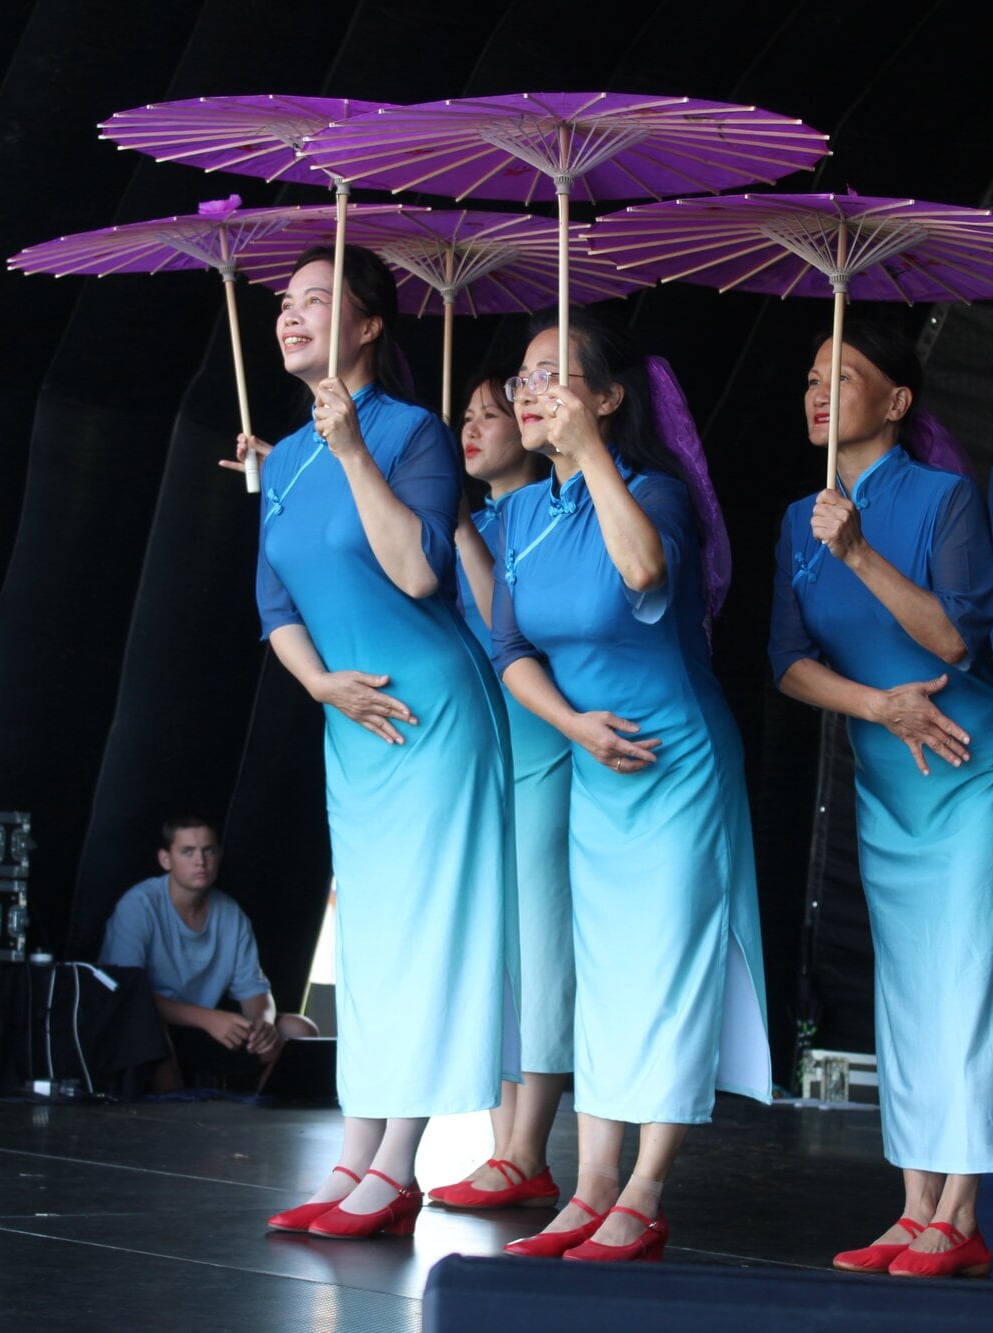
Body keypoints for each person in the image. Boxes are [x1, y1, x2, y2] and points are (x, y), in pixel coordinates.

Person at [241, 244, 514, 1241]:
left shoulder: (410, 435)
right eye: (282, 301)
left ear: (366, 326)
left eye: (316, 300)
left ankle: (396, 1165)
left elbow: (417, 574)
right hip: (347, 721)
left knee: (426, 936)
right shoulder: (280, 458)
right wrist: (319, 685)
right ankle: (355, 1154)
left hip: (431, 714)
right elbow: (273, 600)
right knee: (373, 946)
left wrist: (354, 451)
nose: (289, 314)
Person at [770, 319, 993, 1280]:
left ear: (896, 402)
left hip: (971, 766)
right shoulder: (796, 520)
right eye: (810, 377)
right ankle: (913, 1205)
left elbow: (952, 642)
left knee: (969, 977)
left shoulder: (944, 500)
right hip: (892, 771)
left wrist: (858, 555)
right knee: (910, 989)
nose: (817, 392)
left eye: (841, 376)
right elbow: (787, 665)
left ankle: (960, 1215)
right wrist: (876, 708)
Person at [490, 308, 771, 1263]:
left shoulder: (656, 494)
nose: (531, 393)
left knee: (665, 971)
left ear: (607, 398)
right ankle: (588, 1188)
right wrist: (571, 727)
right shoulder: (520, 513)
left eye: (554, 377)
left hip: (676, 761)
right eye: (524, 377)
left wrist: (591, 456)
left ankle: (644, 1190)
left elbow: (644, 572)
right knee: (603, 981)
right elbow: (510, 649)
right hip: (594, 762)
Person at [427, 368, 575, 1213]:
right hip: (475, 752)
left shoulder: (535, 517)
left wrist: (462, 533)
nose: (478, 427)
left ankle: (527, 1150)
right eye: (469, 416)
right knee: (495, 950)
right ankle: (502, 1147)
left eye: (494, 412)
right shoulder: (473, 518)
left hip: (541, 742)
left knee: (541, 947)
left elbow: (504, 626)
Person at [98, 814, 315, 1092]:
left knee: (300, 1030)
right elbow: (126, 995)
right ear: (166, 859)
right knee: (149, 1028)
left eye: (208, 850)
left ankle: (256, 1116)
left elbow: (255, 993)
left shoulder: (231, 914)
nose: (200, 861)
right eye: (187, 852)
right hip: (155, 1029)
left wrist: (263, 1023)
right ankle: (177, 1119)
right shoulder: (138, 906)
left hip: (210, 1028)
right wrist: (208, 1019)